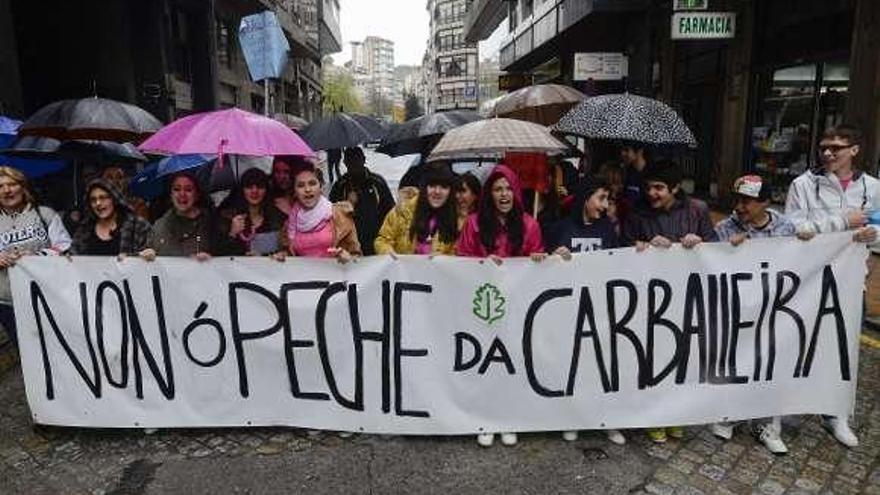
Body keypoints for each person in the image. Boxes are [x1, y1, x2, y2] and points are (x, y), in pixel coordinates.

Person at [784, 124, 878, 448]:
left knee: (843, 350)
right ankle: (792, 405)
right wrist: (842, 223)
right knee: (799, 343)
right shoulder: (803, 184)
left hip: (851, 282)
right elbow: (793, 228)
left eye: (836, 147)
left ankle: (835, 414)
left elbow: (877, 229)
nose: (827, 153)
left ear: (854, 150)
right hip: (806, 279)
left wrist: (872, 234)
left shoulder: (873, 188)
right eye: (823, 147)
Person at [711, 174, 813, 454]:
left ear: (765, 203)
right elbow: (709, 264)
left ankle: (767, 423)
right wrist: (727, 251)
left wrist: (807, 241)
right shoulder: (724, 228)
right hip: (740, 310)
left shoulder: (786, 227)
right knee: (738, 361)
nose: (739, 207)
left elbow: (807, 260)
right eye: (737, 200)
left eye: (747, 201)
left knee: (773, 365)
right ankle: (732, 413)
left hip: (776, 311)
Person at [622, 160, 717, 444]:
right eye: (649, 187)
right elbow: (623, 249)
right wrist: (642, 245)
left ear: (674, 187)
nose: (653, 193)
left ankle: (677, 415)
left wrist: (698, 240)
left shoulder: (697, 210)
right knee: (654, 355)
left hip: (687, 295)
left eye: (659, 188)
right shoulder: (638, 212)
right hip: (651, 296)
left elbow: (714, 246)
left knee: (683, 355)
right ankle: (655, 415)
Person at [456, 164, 544, 447]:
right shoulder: (473, 224)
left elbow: (536, 261)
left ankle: (509, 417)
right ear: (489, 194)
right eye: (497, 189)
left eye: (508, 188)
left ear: (516, 192)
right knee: (486, 362)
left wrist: (538, 260)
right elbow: (462, 259)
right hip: (484, 305)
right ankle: (485, 417)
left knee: (512, 362)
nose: (503, 194)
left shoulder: (530, 225)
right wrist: (482, 264)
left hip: (517, 307)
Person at [545, 176, 625, 446]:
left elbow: (618, 266)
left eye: (608, 200)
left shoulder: (609, 231)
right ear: (585, 197)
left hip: (600, 311)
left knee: (601, 367)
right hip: (567, 310)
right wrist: (552, 257)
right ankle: (571, 418)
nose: (605, 205)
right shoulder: (559, 228)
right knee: (571, 366)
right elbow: (539, 269)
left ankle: (607, 419)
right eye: (601, 198)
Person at [0, 166, 72, 346]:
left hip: (47, 295)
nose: (7, 190)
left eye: (12, 184)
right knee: (27, 353)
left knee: (60, 346)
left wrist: (37, 256)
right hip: (9, 303)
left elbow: (65, 247)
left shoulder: (44, 214)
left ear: (23, 187)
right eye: (1, 186)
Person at [277, 162, 360, 260]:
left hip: (335, 273)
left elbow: (356, 256)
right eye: (301, 185)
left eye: (312, 183)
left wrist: (348, 256)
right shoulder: (290, 222)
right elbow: (288, 253)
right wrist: (283, 255)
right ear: (295, 191)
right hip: (302, 274)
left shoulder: (341, 215)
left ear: (321, 186)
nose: (307, 189)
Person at [375, 163, 458, 256]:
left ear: (450, 191)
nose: (437, 191)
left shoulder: (455, 217)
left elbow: (456, 253)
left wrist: (444, 259)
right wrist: (388, 252)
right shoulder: (402, 211)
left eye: (444, 187)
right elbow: (382, 240)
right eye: (432, 186)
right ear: (424, 188)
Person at [329, 147, 395, 256]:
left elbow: (390, 212)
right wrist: (348, 204)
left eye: (356, 160)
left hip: (374, 242)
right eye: (350, 161)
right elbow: (331, 215)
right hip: (349, 244)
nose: (353, 165)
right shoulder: (340, 185)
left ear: (364, 160)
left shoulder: (377, 182)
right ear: (345, 162)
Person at [140, 173, 219, 260]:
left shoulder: (212, 224)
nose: (182, 194)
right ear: (171, 195)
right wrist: (146, 254)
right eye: (177, 189)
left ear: (196, 195)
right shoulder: (159, 226)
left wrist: (212, 260)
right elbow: (143, 255)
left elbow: (228, 260)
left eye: (188, 189)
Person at [71, 178, 152, 256]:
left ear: (114, 199)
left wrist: (137, 256)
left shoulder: (138, 225)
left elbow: (148, 257)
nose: (98, 203)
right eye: (93, 200)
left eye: (103, 197)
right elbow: (73, 256)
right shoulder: (84, 229)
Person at [219, 169, 287, 256]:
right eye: (249, 186)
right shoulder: (227, 217)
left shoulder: (278, 219)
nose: (254, 191)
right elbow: (218, 253)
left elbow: (285, 250)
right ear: (242, 190)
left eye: (260, 186)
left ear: (266, 190)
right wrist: (232, 233)